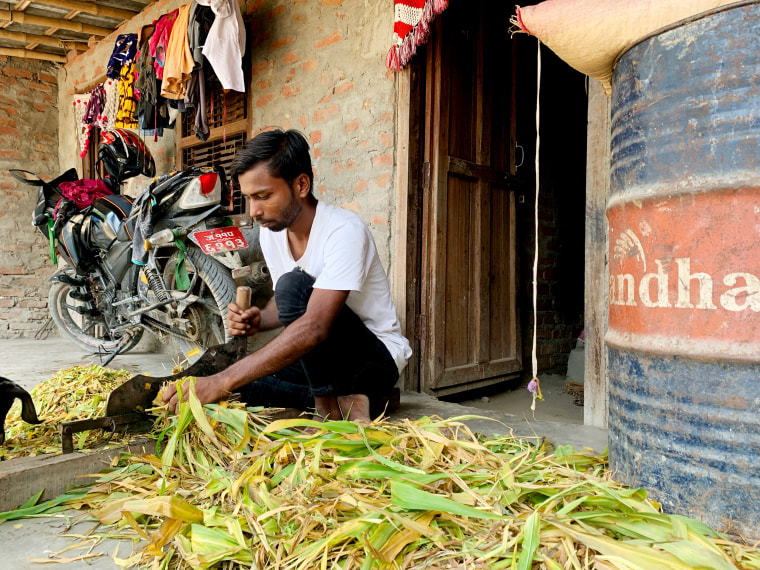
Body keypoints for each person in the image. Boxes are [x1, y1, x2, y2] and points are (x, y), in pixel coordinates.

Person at [163, 129, 412, 422]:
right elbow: (287, 306)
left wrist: (221, 381)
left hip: (373, 358)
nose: (254, 211)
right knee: (245, 382)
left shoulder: (344, 231)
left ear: (301, 184)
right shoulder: (273, 231)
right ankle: (353, 402)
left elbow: (315, 325)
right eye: (248, 198)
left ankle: (330, 408)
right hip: (327, 363)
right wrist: (259, 319)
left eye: (263, 196)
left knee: (290, 288)